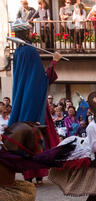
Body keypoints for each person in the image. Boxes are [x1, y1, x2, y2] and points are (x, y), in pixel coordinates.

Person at [8, 19, 61, 185]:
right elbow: (40, 79)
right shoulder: (30, 51)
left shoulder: (18, 53)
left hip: (23, 98)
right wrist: (54, 62)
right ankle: (36, 172)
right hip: (33, 99)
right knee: (37, 137)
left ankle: (30, 173)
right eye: (30, 31)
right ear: (27, 33)